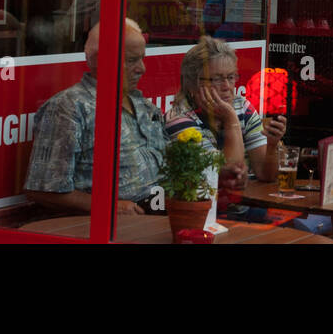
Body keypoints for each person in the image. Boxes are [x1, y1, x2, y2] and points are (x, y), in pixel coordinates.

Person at [25, 18, 167, 214]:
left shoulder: (142, 104)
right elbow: (42, 189)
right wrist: (110, 208)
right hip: (109, 225)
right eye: (132, 60)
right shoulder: (69, 107)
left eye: (142, 58)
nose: (142, 68)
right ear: (101, 59)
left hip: (161, 212)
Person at [164, 36, 285, 182]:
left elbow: (267, 176)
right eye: (217, 79)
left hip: (245, 201)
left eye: (231, 77)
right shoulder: (179, 119)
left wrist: (271, 146)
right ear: (192, 84)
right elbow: (230, 177)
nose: (227, 86)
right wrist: (231, 119)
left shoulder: (242, 107)